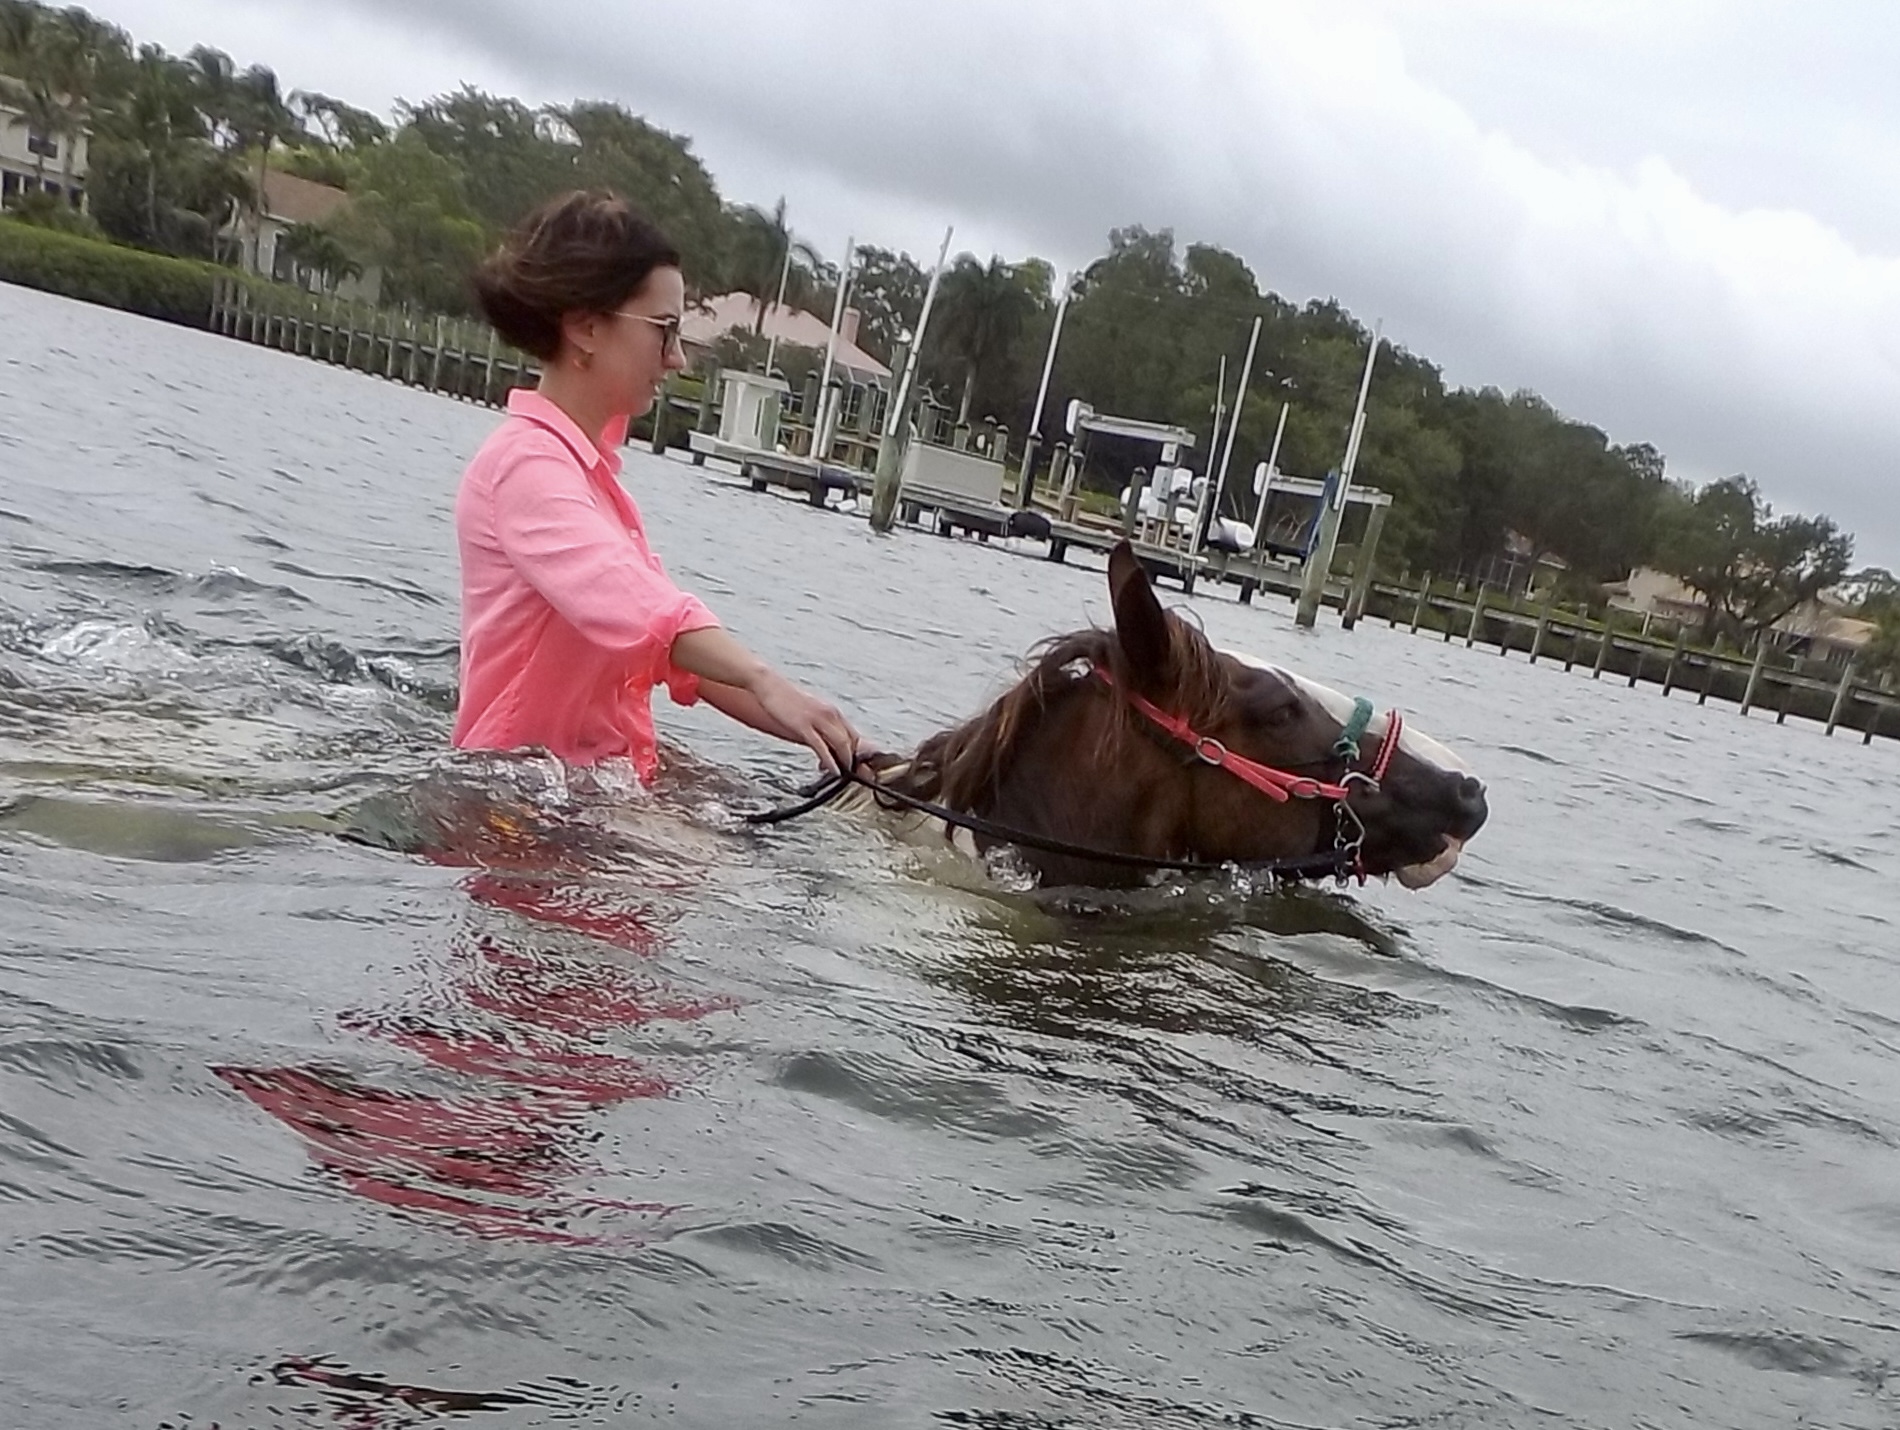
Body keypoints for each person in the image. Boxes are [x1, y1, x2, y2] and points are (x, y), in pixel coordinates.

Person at [452, 190, 864, 781]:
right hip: (516, 808)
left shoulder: (586, 475)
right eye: (664, 331)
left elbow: (680, 657)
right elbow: (645, 611)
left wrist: (846, 746)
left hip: (589, 789)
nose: (677, 360)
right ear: (586, 327)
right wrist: (764, 679)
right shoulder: (524, 468)